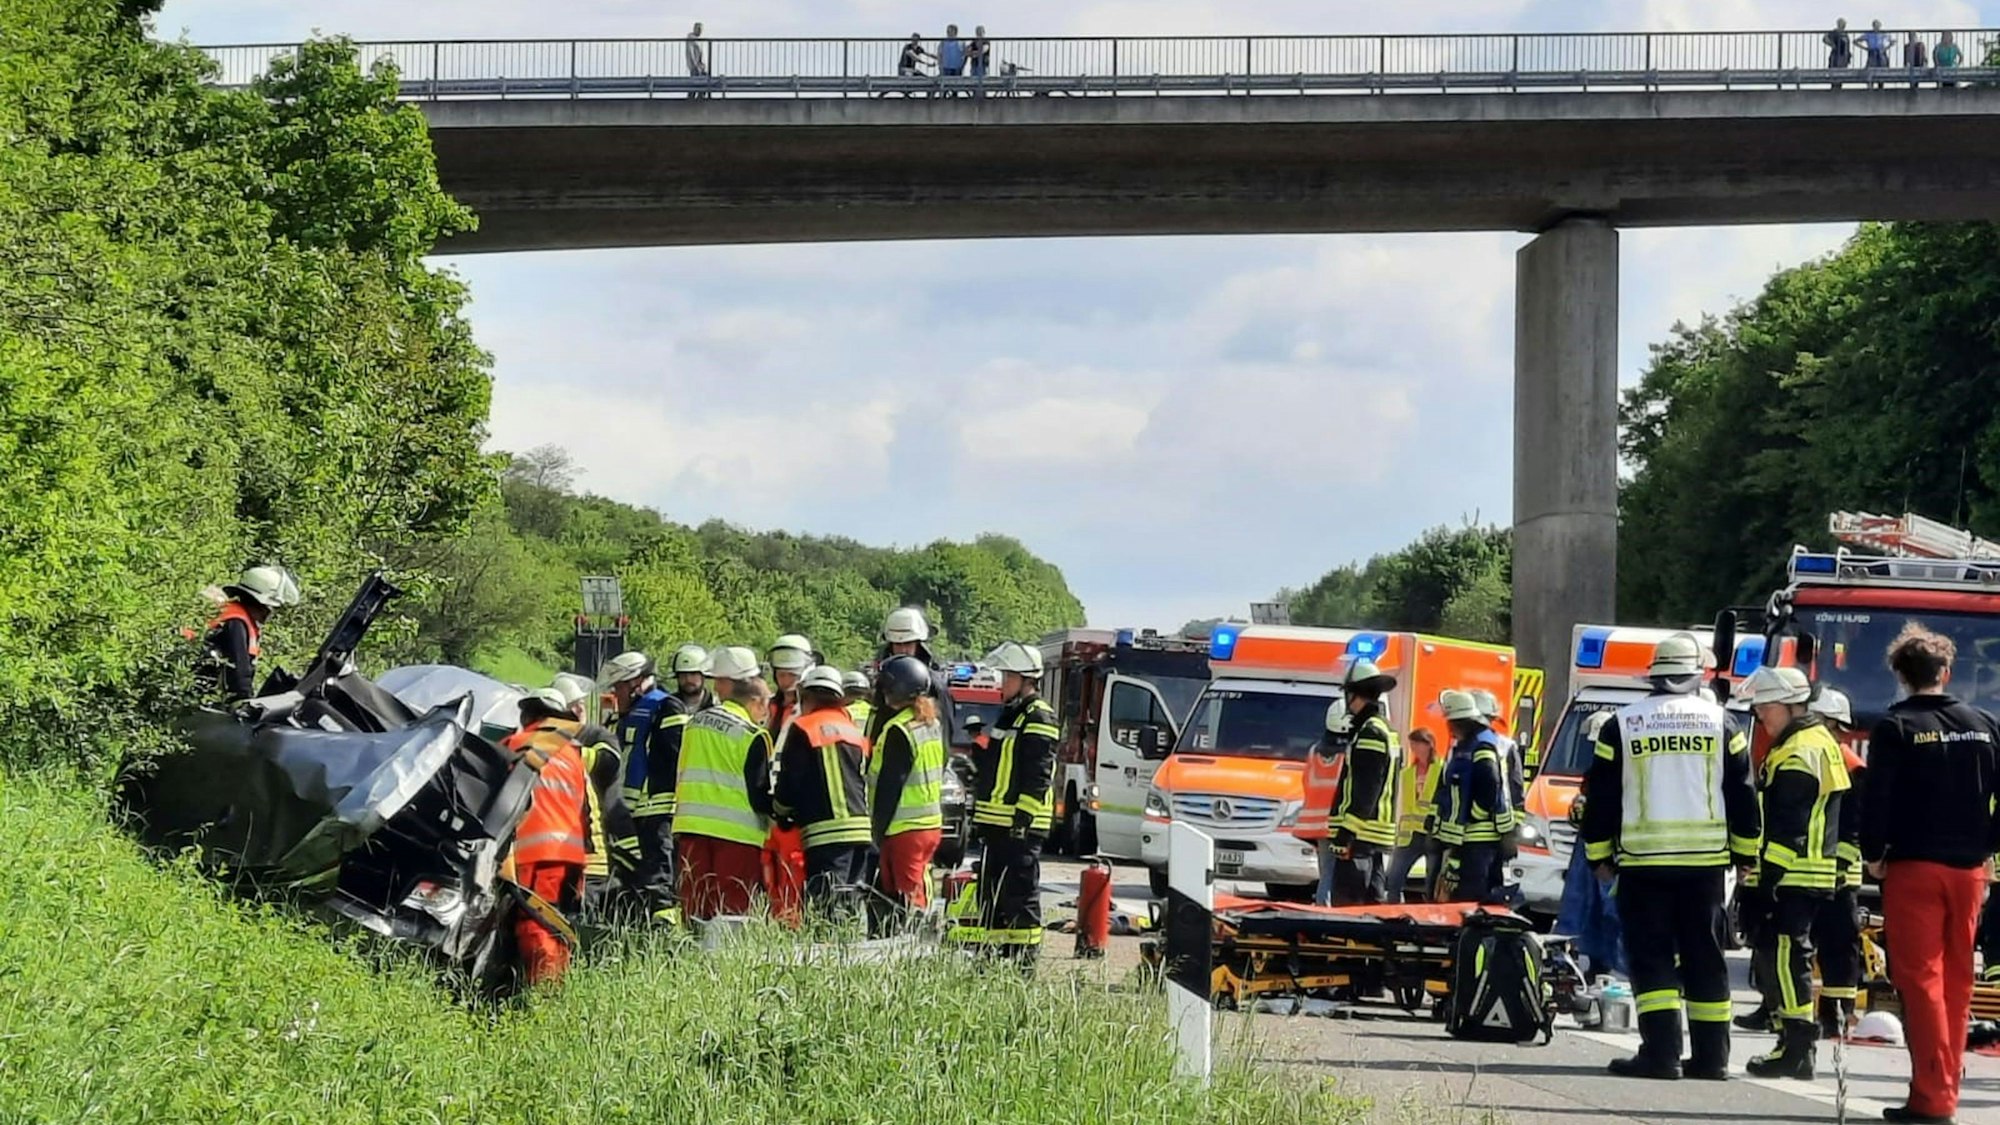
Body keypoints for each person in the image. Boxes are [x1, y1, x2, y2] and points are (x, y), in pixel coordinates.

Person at [1582, 635, 1759, 1081]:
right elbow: (1742, 793)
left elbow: (1601, 798)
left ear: (1655, 677)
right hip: (1705, 865)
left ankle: (1661, 1056)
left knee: (1652, 957)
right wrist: (1746, 853)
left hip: (1644, 864)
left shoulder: (1621, 725)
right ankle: (1712, 1059)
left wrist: (1598, 855)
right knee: (1706, 957)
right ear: (1697, 676)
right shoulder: (1723, 724)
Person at [1863, 624, 2000, 1125]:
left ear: (1901, 675)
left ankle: (1933, 1098)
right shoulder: (1984, 724)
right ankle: (1944, 1089)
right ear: (1947, 671)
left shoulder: (1895, 728)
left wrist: (1873, 855)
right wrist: (1988, 847)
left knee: (1921, 981)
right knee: (1958, 981)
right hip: (1969, 871)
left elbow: (1877, 800)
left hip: (1914, 867)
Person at [1736, 667, 1850, 1080]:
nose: (1760, 714)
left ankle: (1797, 1046)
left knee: (1787, 957)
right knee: (1785, 956)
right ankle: (1793, 1043)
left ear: (1789, 705)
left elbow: (1789, 822)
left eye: (1765, 706)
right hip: (1803, 873)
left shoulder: (1800, 749)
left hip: (1793, 875)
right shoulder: (1812, 741)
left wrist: (1767, 881)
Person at [970, 640, 1059, 965]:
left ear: (1027, 680)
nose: (1002, 683)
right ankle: (992, 961)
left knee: (1020, 896)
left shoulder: (1038, 717)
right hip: (997, 824)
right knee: (992, 898)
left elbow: (1038, 774)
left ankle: (1024, 963)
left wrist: (1023, 818)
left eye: (1008, 677)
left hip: (1019, 827)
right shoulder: (1010, 715)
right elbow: (998, 765)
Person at [673, 646, 775, 921]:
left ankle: (692, 946)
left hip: (691, 827)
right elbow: (758, 794)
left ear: (724, 685)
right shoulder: (752, 734)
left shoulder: (694, 723)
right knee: (732, 909)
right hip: (737, 834)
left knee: (695, 904)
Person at [502, 688, 593, 986]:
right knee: (558, 926)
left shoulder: (516, 745)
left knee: (536, 925)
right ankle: (554, 989)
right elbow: (584, 811)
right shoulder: (572, 755)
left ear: (528, 715)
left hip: (535, 854)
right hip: (572, 857)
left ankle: (544, 995)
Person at [772, 666, 875, 914]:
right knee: (849, 905)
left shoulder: (804, 727)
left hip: (827, 835)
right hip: (861, 831)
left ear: (806, 695)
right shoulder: (852, 730)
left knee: (824, 908)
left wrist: (780, 810)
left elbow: (790, 779)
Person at [600, 651, 682, 913]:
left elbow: (675, 757)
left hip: (657, 812)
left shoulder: (667, 707)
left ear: (638, 683)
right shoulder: (623, 716)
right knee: (629, 874)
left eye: (620, 687)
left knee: (658, 879)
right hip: (628, 812)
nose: (616, 693)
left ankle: (662, 930)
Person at [870, 655, 947, 928]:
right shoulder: (931, 724)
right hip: (928, 823)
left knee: (909, 896)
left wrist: (877, 829)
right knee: (911, 889)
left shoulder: (899, 730)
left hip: (904, 827)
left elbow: (890, 786)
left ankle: (916, 940)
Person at [1809, 686, 1866, 1040]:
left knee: (1839, 946)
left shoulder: (1851, 766)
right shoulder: (1810, 756)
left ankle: (1838, 1014)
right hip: (1809, 870)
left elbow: (1853, 826)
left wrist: (1840, 868)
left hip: (1839, 877)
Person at [550, 674, 635, 912]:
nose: (579, 709)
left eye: (581, 703)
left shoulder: (597, 736)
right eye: (571, 705)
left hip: (605, 837)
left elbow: (608, 763)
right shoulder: (549, 739)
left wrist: (563, 752)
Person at [1328, 659, 1402, 905]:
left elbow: (1367, 787)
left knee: (1349, 908)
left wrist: (1346, 832)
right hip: (1373, 836)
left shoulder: (1370, 732)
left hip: (1361, 836)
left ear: (1354, 694)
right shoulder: (1384, 729)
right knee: (1372, 908)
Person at [1431, 690, 1507, 905]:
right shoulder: (1463, 748)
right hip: (1464, 839)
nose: (1449, 727)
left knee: (1470, 900)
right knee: (1458, 896)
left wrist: (1475, 814)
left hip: (1478, 840)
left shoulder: (1481, 747)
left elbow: (1490, 784)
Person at [194, 565, 300, 700]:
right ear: (262, 604)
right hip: (199, 695)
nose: (270, 613)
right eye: (271, 608)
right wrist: (244, 702)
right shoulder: (236, 622)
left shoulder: (231, 613)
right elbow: (239, 672)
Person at [872, 606, 957, 742]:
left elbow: (946, 732)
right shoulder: (885, 681)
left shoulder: (934, 685)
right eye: (897, 644)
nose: (903, 650)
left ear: (918, 644)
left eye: (908, 643)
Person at [1295, 701, 1347, 905]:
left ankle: (1321, 905)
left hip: (1315, 823)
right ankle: (1324, 909)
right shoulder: (1348, 753)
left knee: (1326, 871)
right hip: (1336, 822)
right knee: (1332, 875)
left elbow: (1306, 782)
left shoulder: (1314, 750)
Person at [1387, 727, 1442, 903]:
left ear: (1429, 745)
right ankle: (1393, 911)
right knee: (1394, 878)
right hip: (1409, 835)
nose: (1414, 749)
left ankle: (1431, 914)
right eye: (1412, 745)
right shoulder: (1407, 773)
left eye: (1417, 744)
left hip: (1433, 833)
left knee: (1432, 883)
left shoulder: (1441, 769)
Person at [767, 633, 817, 738]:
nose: (786, 681)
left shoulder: (812, 710)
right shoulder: (767, 706)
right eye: (781, 675)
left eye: (793, 675)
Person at [668, 643, 714, 714]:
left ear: (703, 675)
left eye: (693, 674)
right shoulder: (667, 706)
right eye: (683, 674)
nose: (688, 679)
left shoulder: (716, 706)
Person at [685, 21, 709, 99]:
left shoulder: (699, 39)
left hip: (700, 65)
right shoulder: (691, 38)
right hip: (695, 65)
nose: (700, 31)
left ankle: (700, 96)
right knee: (695, 82)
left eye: (701, 29)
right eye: (698, 29)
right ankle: (692, 98)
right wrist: (695, 64)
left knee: (703, 79)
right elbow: (691, 52)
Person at [1826, 18, 1853, 86]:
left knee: (1841, 73)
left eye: (1844, 24)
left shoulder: (1845, 34)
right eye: (1842, 24)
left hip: (1844, 56)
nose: (1843, 25)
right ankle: (1834, 86)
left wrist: (1848, 56)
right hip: (1836, 55)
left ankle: (1839, 86)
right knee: (1835, 72)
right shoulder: (1835, 32)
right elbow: (1825, 38)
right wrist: (1832, 44)